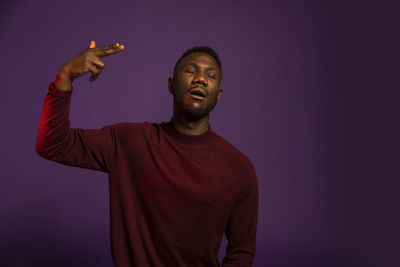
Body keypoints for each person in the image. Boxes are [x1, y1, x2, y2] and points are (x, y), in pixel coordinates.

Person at [36, 41, 259, 267]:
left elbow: (241, 252)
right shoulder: (128, 142)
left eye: (210, 76)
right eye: (191, 71)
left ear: (218, 95)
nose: (200, 78)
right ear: (171, 85)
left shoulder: (239, 169)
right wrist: (65, 77)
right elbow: (53, 144)